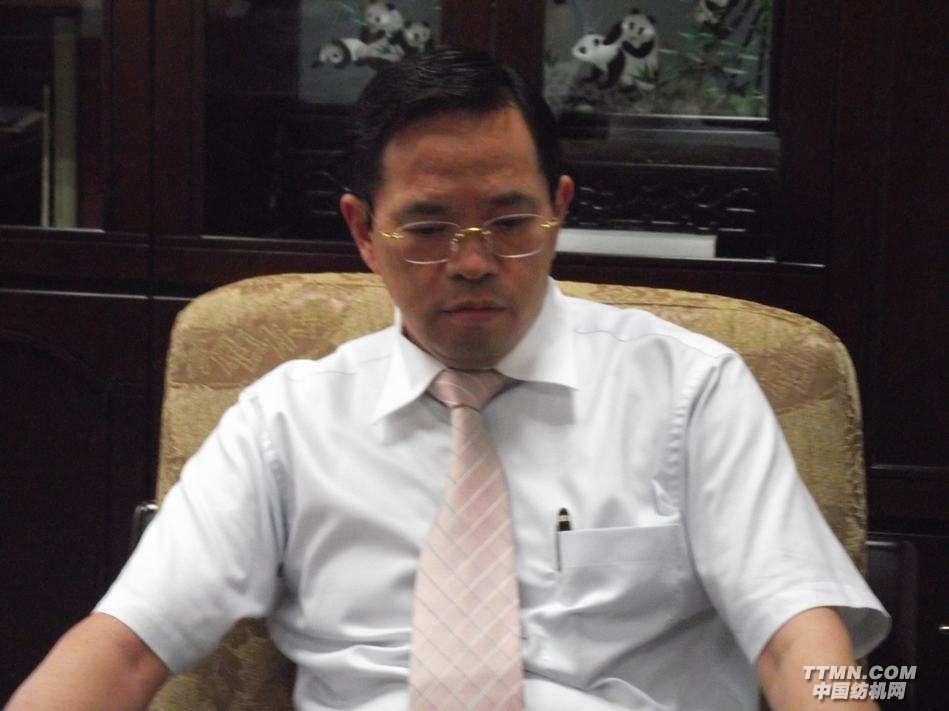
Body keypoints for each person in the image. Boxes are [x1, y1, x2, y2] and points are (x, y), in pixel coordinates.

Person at [7, 47, 888, 711]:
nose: (472, 263)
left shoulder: (690, 390)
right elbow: (124, 647)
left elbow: (799, 644)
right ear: (362, 231)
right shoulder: (286, 420)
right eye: (427, 229)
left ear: (559, 209)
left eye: (508, 222)